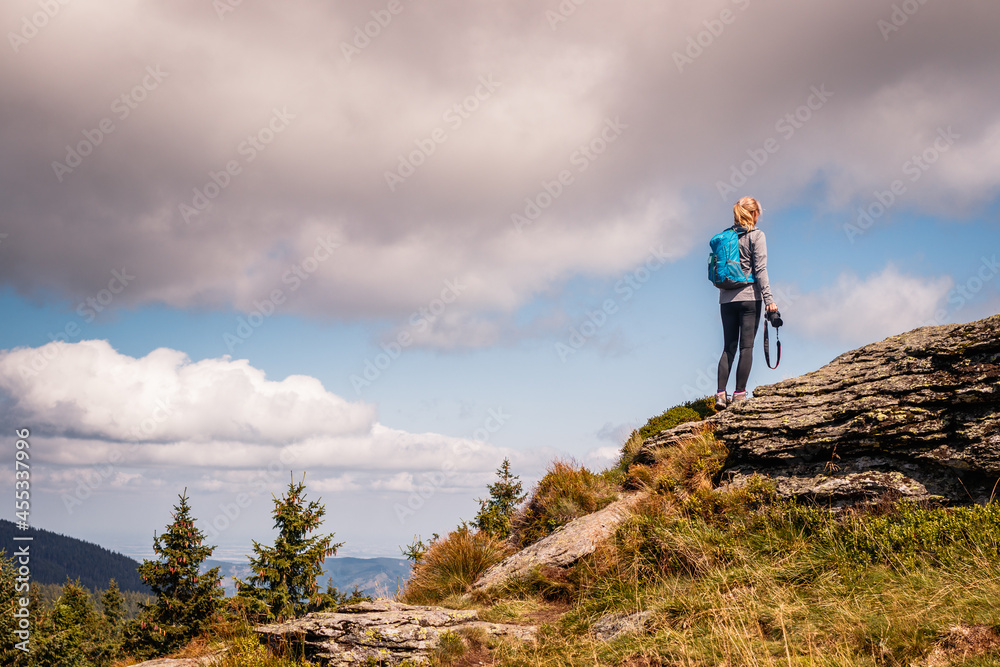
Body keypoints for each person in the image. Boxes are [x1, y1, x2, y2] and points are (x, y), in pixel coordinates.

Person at [716, 196, 777, 410]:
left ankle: (720, 395)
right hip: (750, 298)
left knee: (728, 348)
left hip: (726, 299)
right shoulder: (756, 236)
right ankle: (739, 395)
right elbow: (760, 270)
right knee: (746, 347)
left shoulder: (725, 237)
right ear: (753, 214)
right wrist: (769, 300)